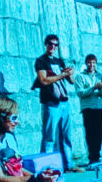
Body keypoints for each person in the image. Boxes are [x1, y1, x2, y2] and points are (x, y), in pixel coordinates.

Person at [33, 34, 82, 172]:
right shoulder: (41, 61)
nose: (53, 47)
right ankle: (45, 167)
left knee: (66, 135)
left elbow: (71, 81)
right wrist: (61, 75)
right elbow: (43, 80)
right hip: (50, 102)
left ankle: (69, 164)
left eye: (55, 44)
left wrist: (69, 73)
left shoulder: (58, 60)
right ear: (46, 44)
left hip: (64, 102)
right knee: (49, 137)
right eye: (50, 44)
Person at [74, 54, 102, 165]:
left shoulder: (101, 76)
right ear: (86, 63)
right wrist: (93, 87)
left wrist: (101, 88)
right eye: (89, 62)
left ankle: (97, 156)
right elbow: (80, 93)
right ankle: (92, 157)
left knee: (99, 133)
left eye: (93, 63)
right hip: (88, 108)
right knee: (90, 134)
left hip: (100, 108)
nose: (91, 65)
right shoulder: (80, 76)